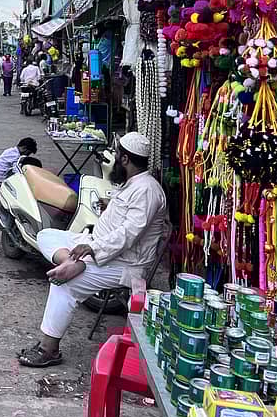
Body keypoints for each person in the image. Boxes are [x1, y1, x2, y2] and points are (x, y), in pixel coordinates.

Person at [17, 132, 168, 368]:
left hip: (125, 264)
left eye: (117, 155)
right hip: (101, 247)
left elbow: (128, 234)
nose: (115, 159)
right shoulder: (135, 184)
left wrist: (91, 248)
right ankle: (72, 262)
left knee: (64, 285)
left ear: (126, 159)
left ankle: (49, 349)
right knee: (46, 235)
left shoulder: (147, 190)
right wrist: (109, 209)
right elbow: (127, 217)